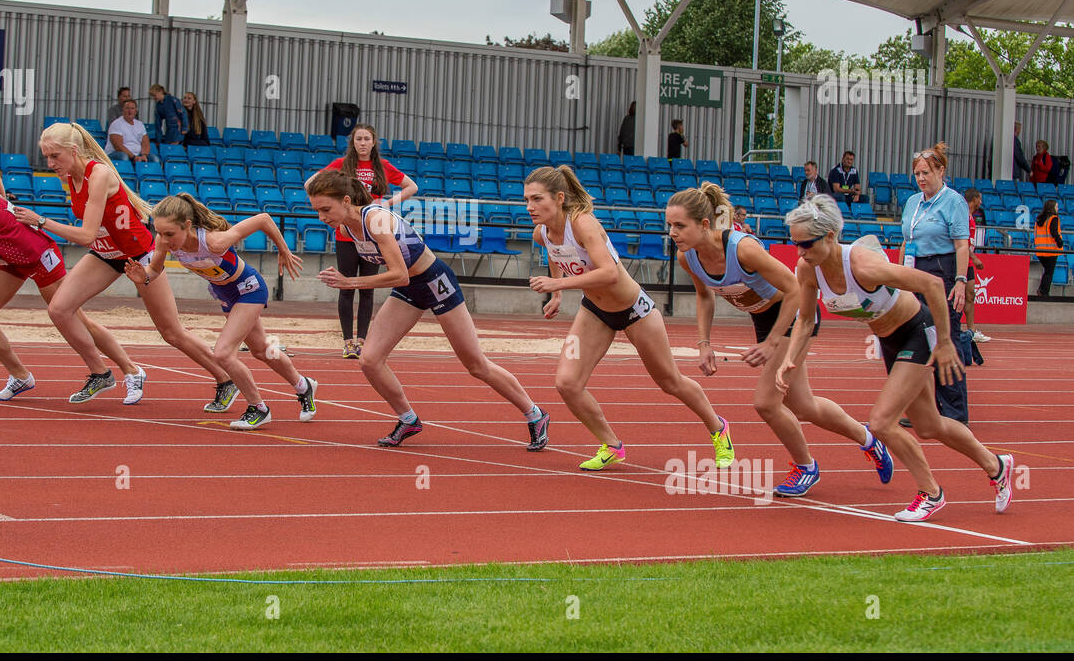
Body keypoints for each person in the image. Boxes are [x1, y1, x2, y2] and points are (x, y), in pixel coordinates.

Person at [779, 194, 1015, 522]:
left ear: (830, 236)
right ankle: (997, 465)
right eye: (795, 244)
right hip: (890, 341)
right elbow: (806, 319)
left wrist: (946, 342)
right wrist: (790, 358)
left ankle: (931, 493)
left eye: (806, 244)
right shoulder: (808, 269)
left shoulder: (863, 264)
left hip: (919, 332)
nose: (800, 252)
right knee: (929, 425)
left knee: (881, 423)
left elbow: (932, 285)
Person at [668, 183, 892, 495]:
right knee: (804, 406)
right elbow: (705, 297)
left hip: (795, 315)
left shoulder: (742, 249)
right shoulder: (688, 258)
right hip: (765, 319)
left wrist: (772, 342)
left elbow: (796, 291)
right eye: (669, 225)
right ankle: (868, 438)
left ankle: (806, 467)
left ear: (704, 224)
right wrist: (704, 344)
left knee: (766, 403)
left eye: (680, 225)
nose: (672, 233)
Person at [305, 168, 549, 449]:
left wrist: (350, 283)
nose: (322, 217)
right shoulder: (346, 227)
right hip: (410, 289)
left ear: (346, 200)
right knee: (369, 359)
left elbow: (399, 274)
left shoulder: (376, 219)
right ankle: (408, 419)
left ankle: (535, 413)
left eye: (326, 209)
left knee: (476, 365)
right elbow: (402, 279)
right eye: (317, 211)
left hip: (435, 282)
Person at [11, 122, 233, 404]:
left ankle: (225, 377)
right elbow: (95, 235)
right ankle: (100, 373)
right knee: (59, 309)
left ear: (74, 150)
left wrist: (41, 221)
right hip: (105, 255)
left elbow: (85, 234)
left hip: (140, 257)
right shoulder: (70, 177)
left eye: (54, 156)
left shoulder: (99, 173)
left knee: (171, 332)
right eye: (46, 157)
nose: (50, 163)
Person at [526, 166, 730, 472]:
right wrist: (557, 295)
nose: (529, 207)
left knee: (670, 382)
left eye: (536, 199)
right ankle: (611, 445)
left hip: (635, 309)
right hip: (595, 311)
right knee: (567, 383)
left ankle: (719, 429)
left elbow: (609, 273)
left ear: (558, 198)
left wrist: (558, 285)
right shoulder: (541, 232)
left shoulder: (583, 223)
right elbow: (556, 255)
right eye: (526, 199)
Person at [0, 147, 144, 402]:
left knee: (75, 318)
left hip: (38, 255)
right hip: (11, 258)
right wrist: (5, 213)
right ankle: (20, 376)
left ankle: (129, 371)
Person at [126, 193, 318, 431]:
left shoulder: (214, 242)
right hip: (226, 296)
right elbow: (154, 269)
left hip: (249, 290)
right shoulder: (164, 241)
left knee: (223, 354)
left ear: (187, 225)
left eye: (169, 234)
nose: (164, 240)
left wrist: (283, 250)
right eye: (160, 233)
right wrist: (143, 277)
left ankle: (258, 408)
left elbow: (264, 219)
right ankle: (304, 385)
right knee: (261, 350)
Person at [307, 124, 418, 359]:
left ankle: (363, 340)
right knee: (346, 286)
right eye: (359, 139)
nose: (363, 143)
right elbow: (310, 183)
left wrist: (387, 203)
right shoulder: (340, 165)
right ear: (353, 142)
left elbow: (412, 186)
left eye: (367, 138)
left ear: (374, 142)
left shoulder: (382, 166)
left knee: (368, 288)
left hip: (374, 231)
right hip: (346, 233)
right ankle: (348, 341)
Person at [899, 143, 970, 424]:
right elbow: (907, 241)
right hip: (914, 271)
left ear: (941, 170)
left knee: (945, 338)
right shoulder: (912, 203)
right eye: (917, 173)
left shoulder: (953, 201)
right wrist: (898, 276)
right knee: (917, 339)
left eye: (926, 172)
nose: (921, 178)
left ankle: (954, 412)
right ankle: (923, 409)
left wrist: (961, 281)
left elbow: (961, 245)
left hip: (941, 271)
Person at [962, 188, 989, 343]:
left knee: (970, 294)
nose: (981, 202)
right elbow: (960, 241)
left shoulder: (971, 216)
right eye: (980, 198)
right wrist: (974, 257)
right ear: (974, 199)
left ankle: (971, 330)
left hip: (968, 260)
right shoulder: (963, 215)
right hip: (962, 260)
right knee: (958, 295)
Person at [1035, 199, 1064, 296]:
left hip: (1040, 250)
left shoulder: (1039, 219)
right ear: (1052, 208)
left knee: (1047, 271)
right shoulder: (1053, 218)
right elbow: (1054, 231)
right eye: (1056, 206)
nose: (1058, 208)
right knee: (1049, 272)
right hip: (1051, 250)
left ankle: (1041, 290)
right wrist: (1060, 242)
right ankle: (1044, 292)